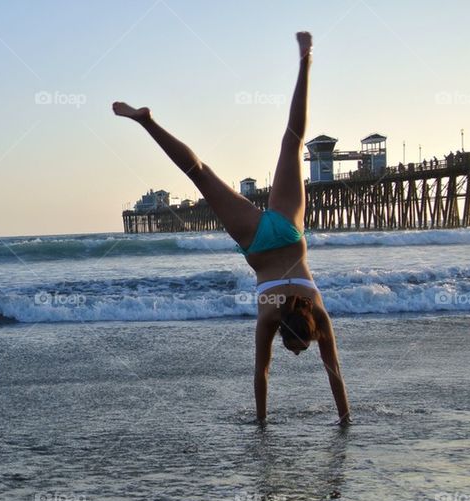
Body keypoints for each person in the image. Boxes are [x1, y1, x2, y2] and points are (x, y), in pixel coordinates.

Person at [113, 31, 349, 427]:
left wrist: (344, 417)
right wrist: (272, 423)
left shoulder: (316, 314)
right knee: (199, 175)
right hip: (256, 242)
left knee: (290, 142)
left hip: (289, 232)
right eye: (297, 348)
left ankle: (306, 62)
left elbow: (323, 374)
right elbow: (265, 375)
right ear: (291, 331)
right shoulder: (272, 316)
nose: (293, 353)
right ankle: (147, 123)